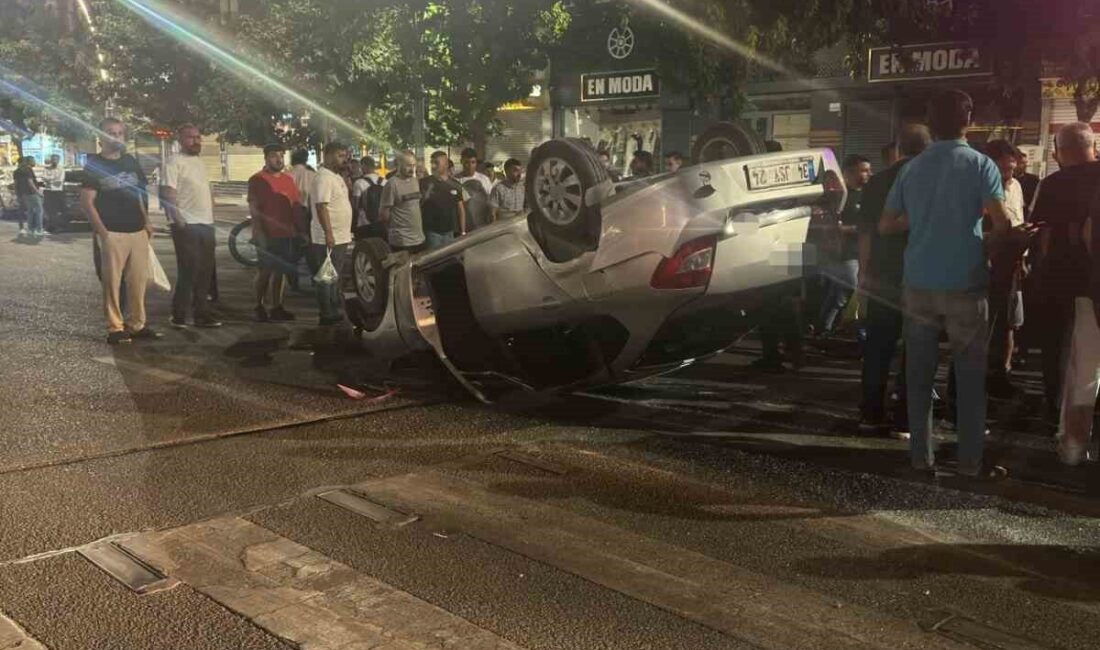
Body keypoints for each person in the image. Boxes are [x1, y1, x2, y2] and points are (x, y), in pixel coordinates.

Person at [879, 89, 1013, 480]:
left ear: (931, 123)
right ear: (967, 121)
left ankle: (922, 458)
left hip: (918, 281)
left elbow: (887, 224)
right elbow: (1001, 222)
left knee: (919, 375)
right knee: (970, 378)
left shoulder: (911, 168)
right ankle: (970, 462)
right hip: (965, 282)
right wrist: (987, 241)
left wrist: (921, 222)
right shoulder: (980, 165)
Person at [1030, 122, 1100, 458]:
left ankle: (1070, 440)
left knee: (1074, 365)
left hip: (1067, 285)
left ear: (1060, 151)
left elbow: (1040, 236)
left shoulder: (1054, 184)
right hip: (1090, 283)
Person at [857, 125, 932, 438]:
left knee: (878, 347)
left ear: (899, 148)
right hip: (923, 276)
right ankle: (905, 419)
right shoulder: (933, 181)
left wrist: (864, 272)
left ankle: (871, 414)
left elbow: (866, 233)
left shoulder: (877, 181)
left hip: (883, 275)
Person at [80, 117, 159, 344]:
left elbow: (140, 196)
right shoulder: (94, 165)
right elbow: (87, 202)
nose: (116, 136)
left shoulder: (130, 162)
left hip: (137, 231)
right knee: (112, 283)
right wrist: (103, 233)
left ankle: (137, 324)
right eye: (110, 132)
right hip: (112, 232)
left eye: (119, 133)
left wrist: (146, 222)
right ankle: (115, 327)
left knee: (138, 281)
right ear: (101, 136)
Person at [162, 124, 220, 329]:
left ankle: (201, 313)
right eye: (190, 137)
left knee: (206, 271)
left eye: (198, 137)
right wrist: (179, 220)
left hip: (206, 223)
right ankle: (178, 314)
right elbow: (168, 193)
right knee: (189, 270)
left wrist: (212, 209)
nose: (196, 141)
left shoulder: (199, 162)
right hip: (187, 225)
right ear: (180, 140)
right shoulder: (174, 161)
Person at [984, 139, 1028, 399]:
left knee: (1006, 323)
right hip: (986, 262)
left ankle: (1000, 375)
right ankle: (979, 380)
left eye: (1012, 169)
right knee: (984, 324)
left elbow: (1019, 219)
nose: (1008, 174)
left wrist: (1023, 259)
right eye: (1003, 170)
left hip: (1010, 263)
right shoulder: (979, 187)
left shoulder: (1016, 186)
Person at [816, 154, 871, 335]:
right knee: (846, 287)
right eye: (863, 171)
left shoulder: (867, 195)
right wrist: (856, 229)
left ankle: (827, 327)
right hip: (844, 253)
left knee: (841, 291)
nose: (868, 174)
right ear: (848, 172)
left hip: (862, 252)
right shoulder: (840, 197)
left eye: (868, 170)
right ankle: (824, 327)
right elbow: (834, 227)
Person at [247, 143, 302, 323]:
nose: (278, 159)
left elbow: (295, 206)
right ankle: (258, 305)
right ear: (265, 158)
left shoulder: (288, 180)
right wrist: (258, 233)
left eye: (281, 155)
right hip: (266, 233)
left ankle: (277, 306)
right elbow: (254, 209)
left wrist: (299, 230)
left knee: (281, 272)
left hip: (286, 234)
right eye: (274, 156)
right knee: (265, 271)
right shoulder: (257, 180)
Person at [307, 141, 354, 326]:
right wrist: (328, 233)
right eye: (340, 156)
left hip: (340, 236)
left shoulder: (336, 177)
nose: (344, 159)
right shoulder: (323, 178)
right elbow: (321, 207)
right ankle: (326, 312)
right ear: (327, 155)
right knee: (326, 276)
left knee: (335, 275)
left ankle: (333, 306)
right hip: (328, 237)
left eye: (345, 156)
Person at [420, 150, 468, 250]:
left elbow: (461, 209)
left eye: (436, 163)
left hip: (450, 232)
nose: (433, 166)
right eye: (432, 163)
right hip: (432, 232)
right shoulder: (424, 183)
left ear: (446, 164)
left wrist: (463, 232)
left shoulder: (455, 184)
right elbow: (417, 206)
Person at [380, 151, 424, 252]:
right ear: (399, 164)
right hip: (401, 240)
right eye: (408, 165)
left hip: (418, 238)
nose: (412, 169)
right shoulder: (392, 184)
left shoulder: (415, 181)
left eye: (413, 165)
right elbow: (384, 214)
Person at [455, 148, 492, 231]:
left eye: (473, 162)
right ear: (461, 162)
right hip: (464, 226)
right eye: (466, 163)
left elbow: (490, 201)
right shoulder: (455, 180)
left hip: (482, 224)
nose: (470, 166)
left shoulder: (484, 179)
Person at [352, 156, 385, 239]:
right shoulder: (385, 181)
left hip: (364, 224)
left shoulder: (359, 183)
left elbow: (355, 206)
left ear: (363, 166)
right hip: (382, 222)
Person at [13, 156, 44, 237]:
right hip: (32, 193)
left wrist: (17, 194)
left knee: (30, 211)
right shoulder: (28, 169)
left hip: (23, 194)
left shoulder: (16, 171)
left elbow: (15, 184)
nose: (35, 162)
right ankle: (38, 229)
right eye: (33, 160)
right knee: (38, 211)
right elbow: (30, 182)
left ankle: (30, 229)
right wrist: (38, 192)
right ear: (28, 161)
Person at [39, 154, 65, 233]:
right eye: (53, 159)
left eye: (56, 159)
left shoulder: (61, 169)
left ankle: (57, 227)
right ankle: (50, 226)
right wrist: (53, 180)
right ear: (51, 160)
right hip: (48, 191)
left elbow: (59, 181)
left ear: (59, 160)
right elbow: (43, 177)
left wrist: (49, 180)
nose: (54, 161)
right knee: (49, 210)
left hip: (57, 191)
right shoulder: (46, 169)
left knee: (57, 210)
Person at [1015, 148, 1040, 217]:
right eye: (1022, 163)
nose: (1025, 165)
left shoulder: (1033, 180)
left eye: (1026, 163)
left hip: (1029, 214)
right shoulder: (1010, 179)